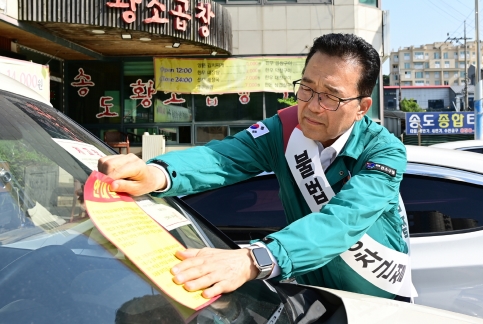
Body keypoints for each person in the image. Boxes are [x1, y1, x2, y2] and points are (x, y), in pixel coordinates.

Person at [98, 33, 413, 301]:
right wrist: (156, 173)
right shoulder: (285, 128)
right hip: (314, 293)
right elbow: (225, 157)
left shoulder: (384, 151)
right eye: (307, 88)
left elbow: (344, 220)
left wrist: (254, 259)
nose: (313, 106)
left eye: (331, 97)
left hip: (374, 299)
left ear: (361, 106)